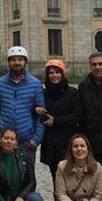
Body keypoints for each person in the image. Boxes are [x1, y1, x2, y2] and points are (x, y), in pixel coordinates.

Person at [0, 46, 45, 201]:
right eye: (13, 59)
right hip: (5, 141)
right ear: (9, 62)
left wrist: (36, 139)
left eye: (20, 59)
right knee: (0, 182)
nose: (17, 63)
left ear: (25, 62)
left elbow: (41, 114)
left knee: (26, 182)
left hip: (27, 141)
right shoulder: (0, 84)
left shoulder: (35, 84)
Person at [35, 59, 81, 189]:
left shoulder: (72, 93)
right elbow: (36, 112)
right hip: (50, 142)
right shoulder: (43, 94)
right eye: (51, 73)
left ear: (63, 74)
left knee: (71, 177)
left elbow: (78, 116)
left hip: (67, 141)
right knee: (55, 176)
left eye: (57, 72)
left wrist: (56, 121)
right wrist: (36, 110)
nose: (54, 75)